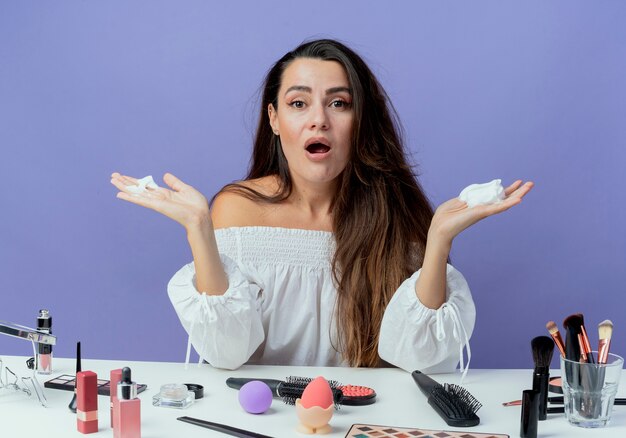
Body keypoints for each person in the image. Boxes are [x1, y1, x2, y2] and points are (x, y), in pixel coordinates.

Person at [110, 39, 533, 373]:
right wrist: (199, 231)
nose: (319, 120)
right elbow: (226, 352)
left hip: (364, 421)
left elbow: (416, 357)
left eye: (339, 103)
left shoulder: (395, 217)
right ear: (274, 119)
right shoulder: (237, 208)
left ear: (360, 120)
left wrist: (438, 239)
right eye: (299, 103)